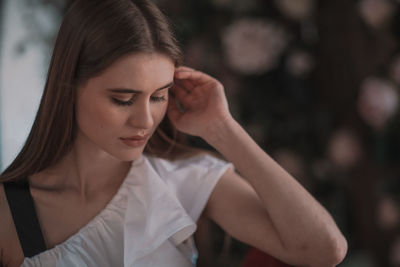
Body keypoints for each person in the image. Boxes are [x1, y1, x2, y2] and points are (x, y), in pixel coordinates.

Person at [0, 0, 348, 266]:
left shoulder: (183, 180)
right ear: (68, 87)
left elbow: (324, 249)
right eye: (123, 99)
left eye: (159, 96)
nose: (146, 120)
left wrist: (223, 129)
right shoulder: (8, 211)